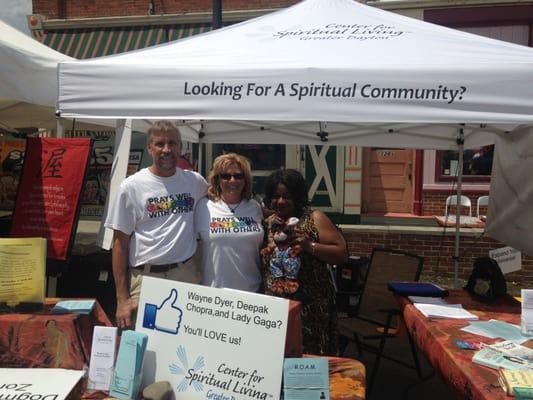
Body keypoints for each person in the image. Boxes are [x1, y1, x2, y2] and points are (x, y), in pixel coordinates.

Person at [105, 120, 207, 330]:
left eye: (172, 143)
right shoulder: (131, 187)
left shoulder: (195, 182)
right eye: (160, 144)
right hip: (146, 281)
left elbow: (221, 199)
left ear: (181, 147)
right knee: (146, 345)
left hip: (185, 276)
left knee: (186, 343)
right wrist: (122, 298)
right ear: (149, 148)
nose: (167, 149)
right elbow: (120, 244)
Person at [261, 169, 347, 355]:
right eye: (276, 196)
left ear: (298, 197)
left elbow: (341, 253)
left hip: (311, 310)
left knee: (309, 360)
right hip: (276, 309)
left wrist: (310, 246)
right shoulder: (268, 223)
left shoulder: (314, 218)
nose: (281, 201)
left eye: (287, 196)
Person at [195, 153, 263, 292]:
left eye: (238, 176)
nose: (232, 181)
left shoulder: (254, 207)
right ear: (217, 180)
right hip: (214, 293)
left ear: (245, 180)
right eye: (226, 176)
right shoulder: (203, 207)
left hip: (252, 291)